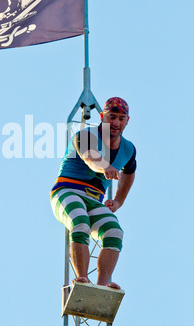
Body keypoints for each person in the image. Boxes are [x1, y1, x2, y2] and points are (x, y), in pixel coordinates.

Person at [50, 97, 136, 289]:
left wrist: (118, 201)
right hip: (67, 191)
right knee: (80, 222)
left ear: (127, 121)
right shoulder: (86, 136)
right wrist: (105, 167)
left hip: (94, 199)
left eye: (121, 119)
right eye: (112, 117)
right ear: (102, 116)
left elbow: (129, 173)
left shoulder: (128, 149)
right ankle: (82, 278)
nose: (115, 123)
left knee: (114, 232)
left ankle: (102, 285)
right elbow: (90, 157)